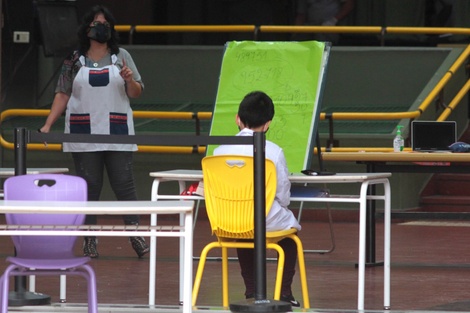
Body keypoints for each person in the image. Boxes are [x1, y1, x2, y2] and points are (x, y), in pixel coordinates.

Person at [39, 5, 149, 259]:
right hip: (83, 132)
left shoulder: (122, 56)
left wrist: (130, 79)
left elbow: (137, 92)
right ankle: (90, 240)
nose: (101, 28)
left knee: (124, 185)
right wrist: (47, 124)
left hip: (117, 130)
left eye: (106, 24)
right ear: (86, 28)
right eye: (96, 23)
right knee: (90, 188)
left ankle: (135, 234)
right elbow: (62, 93)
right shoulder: (73, 59)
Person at [213, 91, 302, 307]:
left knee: (244, 231)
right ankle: (284, 293)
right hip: (265, 219)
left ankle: (251, 292)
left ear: (237, 119)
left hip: (227, 221)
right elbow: (282, 195)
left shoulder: (218, 151)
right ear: (267, 124)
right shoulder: (274, 152)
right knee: (291, 237)